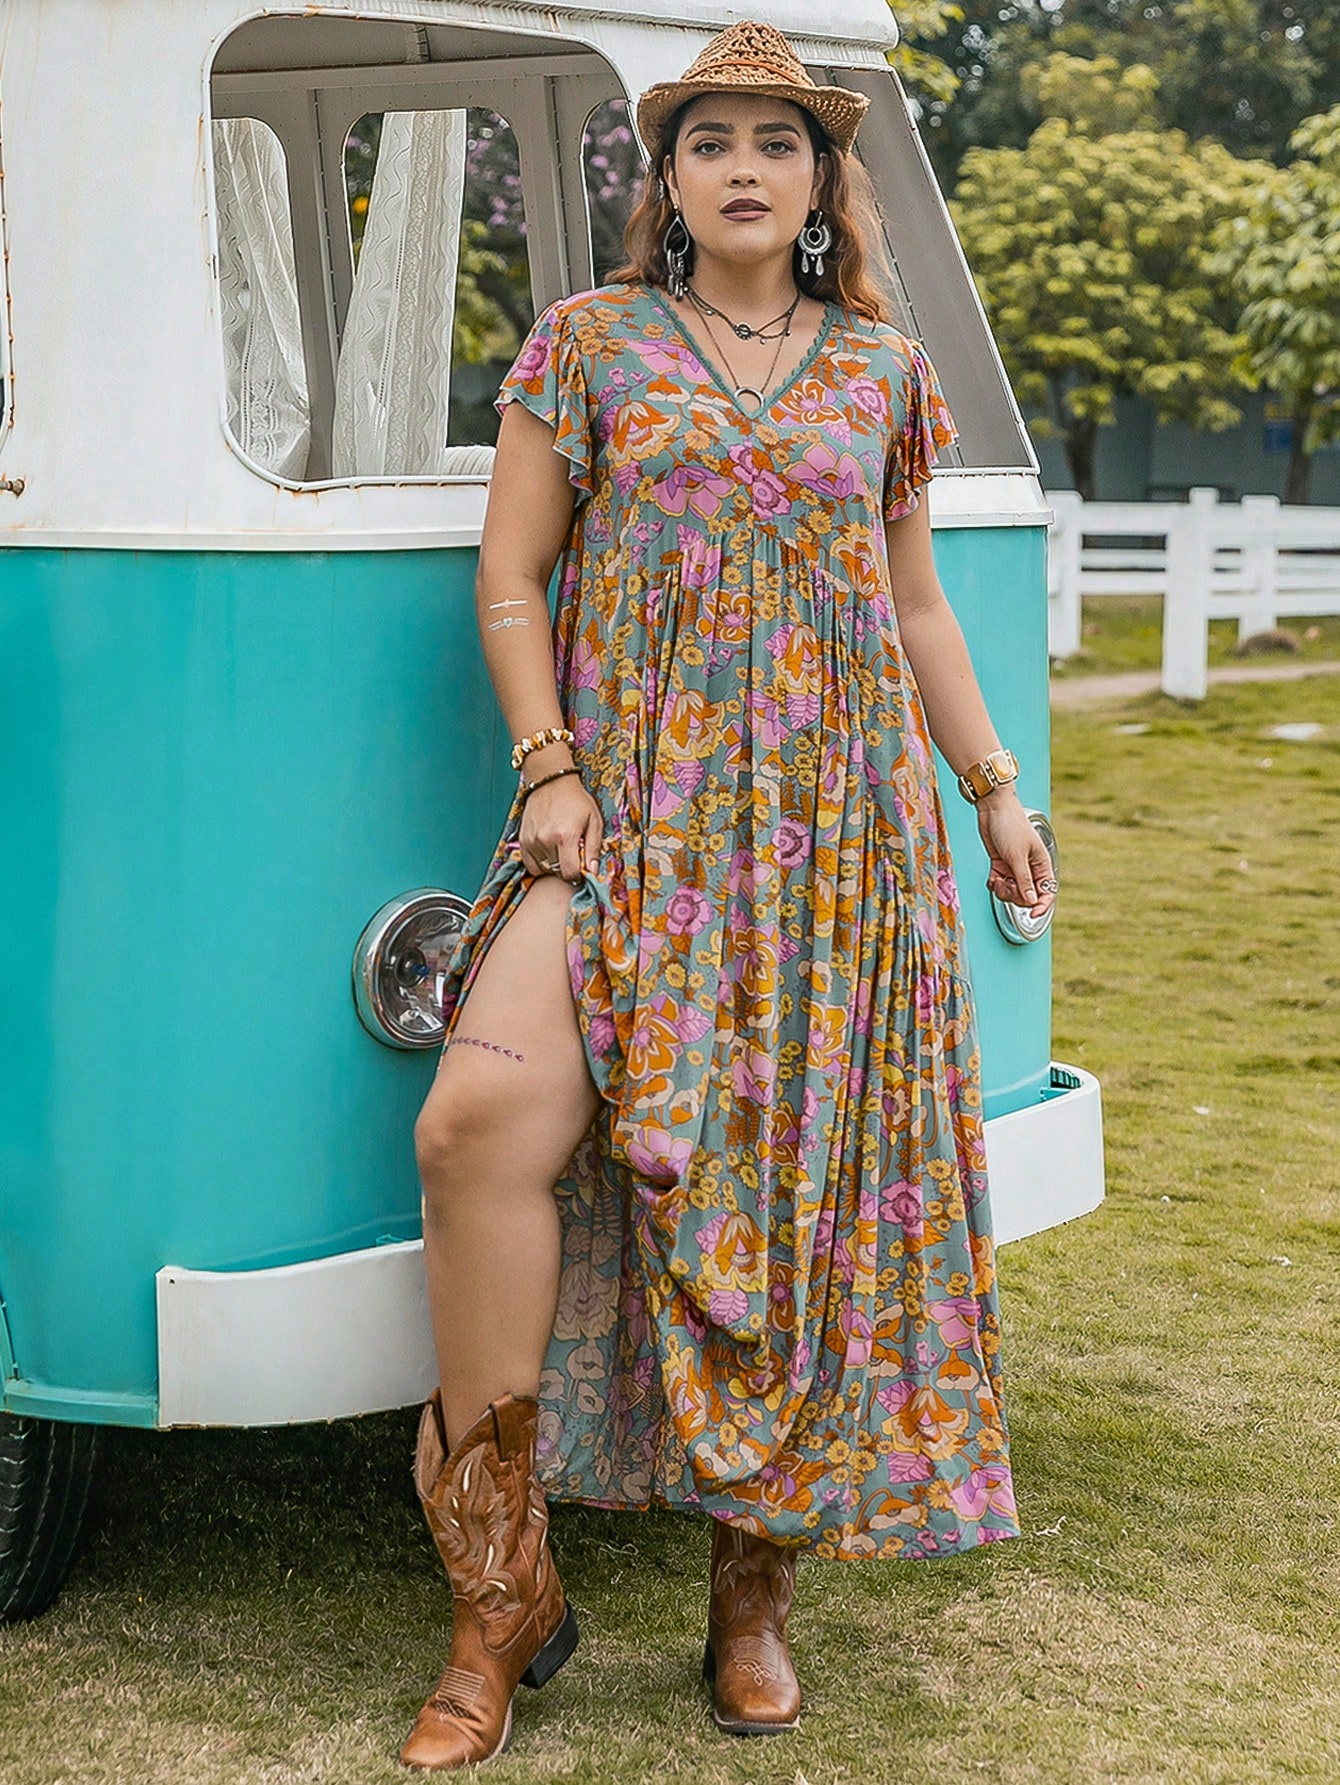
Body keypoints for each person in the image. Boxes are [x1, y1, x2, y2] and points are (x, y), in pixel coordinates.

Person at [399, 19, 1056, 1772]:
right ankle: (496, 1597)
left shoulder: (883, 371)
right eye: (711, 141)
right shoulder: (587, 344)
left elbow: (913, 604)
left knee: (795, 1198)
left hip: (839, 840)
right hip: (626, 817)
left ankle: (752, 1594)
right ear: (668, 177)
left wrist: (994, 790)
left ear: (822, 180)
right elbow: (513, 572)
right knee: (475, 1127)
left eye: (778, 140)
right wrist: (551, 768)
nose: (745, 167)